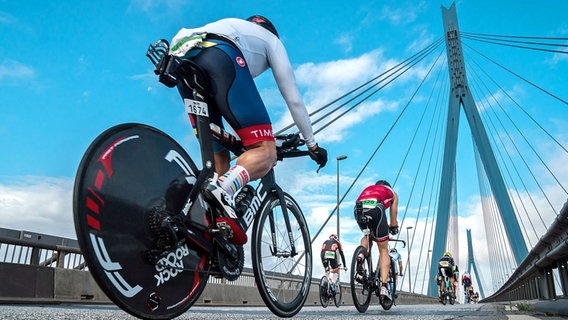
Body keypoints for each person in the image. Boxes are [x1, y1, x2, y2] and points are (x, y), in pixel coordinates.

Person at [169, 16, 328, 245]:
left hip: (184, 64)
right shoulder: (272, 41)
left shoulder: (231, 26)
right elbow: (293, 98)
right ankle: (224, 189)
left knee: (217, 161)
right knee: (266, 151)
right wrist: (312, 144)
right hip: (221, 57)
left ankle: (209, 239)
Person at [353, 180, 399, 301]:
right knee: (383, 249)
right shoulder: (392, 192)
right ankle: (384, 287)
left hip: (358, 206)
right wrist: (393, 227)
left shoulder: (369, 188)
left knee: (368, 236)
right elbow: (393, 218)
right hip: (376, 208)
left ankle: (361, 257)